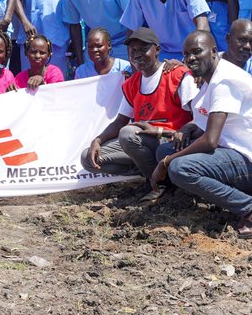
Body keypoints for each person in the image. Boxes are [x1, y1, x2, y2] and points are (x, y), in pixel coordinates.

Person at [152, 31, 252, 238]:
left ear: (214, 51)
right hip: (239, 150)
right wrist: (187, 129)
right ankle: (214, 195)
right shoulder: (212, 78)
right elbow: (207, 122)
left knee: (179, 167)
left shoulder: (224, 80)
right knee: (165, 149)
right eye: (186, 54)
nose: (190, 58)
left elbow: (210, 141)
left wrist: (166, 163)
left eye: (197, 52)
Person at [82, 27, 192, 203]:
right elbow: (120, 121)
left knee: (128, 134)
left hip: (174, 142)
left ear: (157, 50)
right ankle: (153, 173)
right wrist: (97, 140)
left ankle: (160, 184)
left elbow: (198, 116)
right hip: (145, 144)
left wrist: (167, 133)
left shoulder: (176, 75)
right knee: (88, 158)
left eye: (143, 49)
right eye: (133, 50)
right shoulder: (132, 83)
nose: (138, 54)